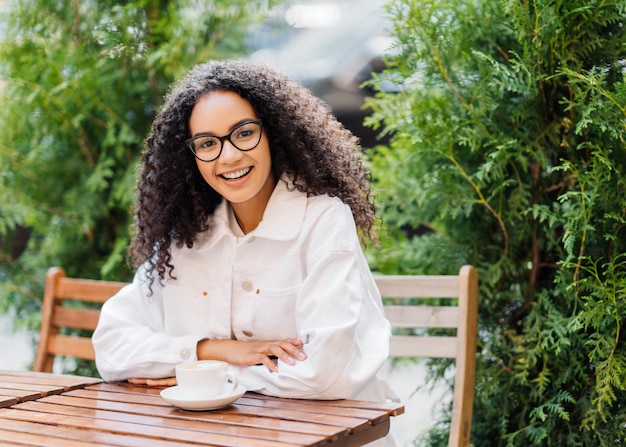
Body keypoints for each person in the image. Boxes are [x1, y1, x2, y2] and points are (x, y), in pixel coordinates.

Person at [92, 59, 394, 405]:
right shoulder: (186, 236)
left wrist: (197, 372)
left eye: (244, 133)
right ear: (189, 156)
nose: (229, 156)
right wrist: (213, 350)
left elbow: (328, 376)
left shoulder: (322, 220)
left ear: (274, 133)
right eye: (207, 144)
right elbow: (111, 347)